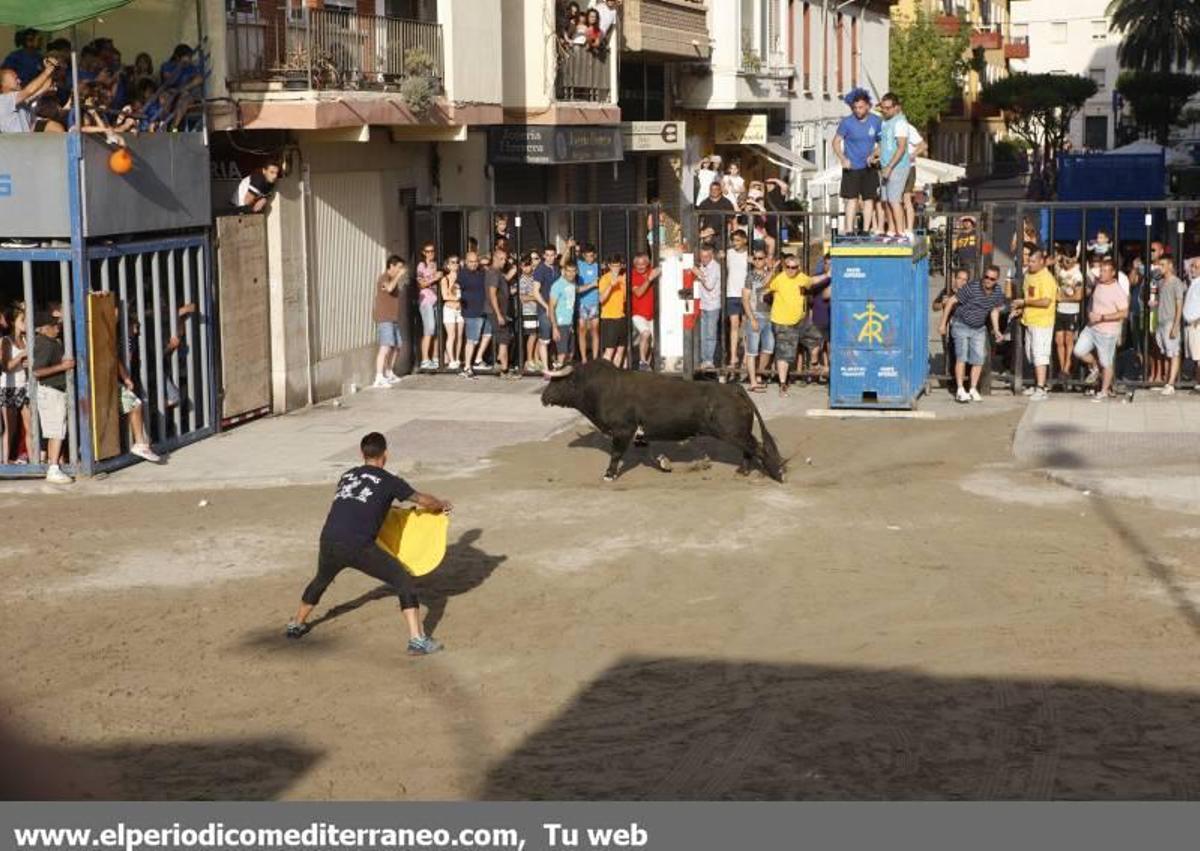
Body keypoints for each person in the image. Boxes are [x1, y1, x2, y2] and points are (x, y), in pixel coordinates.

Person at [286, 431, 452, 656]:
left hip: (329, 538)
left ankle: (297, 624)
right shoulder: (390, 481)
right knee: (403, 579)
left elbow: (358, 505)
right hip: (358, 545)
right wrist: (441, 504)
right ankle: (418, 640)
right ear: (385, 454)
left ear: (361, 453)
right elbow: (424, 501)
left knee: (321, 579)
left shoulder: (347, 476)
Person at [939, 265, 1007, 403]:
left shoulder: (997, 291)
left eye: (992, 279)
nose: (988, 280)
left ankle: (973, 388)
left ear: (996, 280)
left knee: (979, 358)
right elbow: (951, 301)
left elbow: (994, 310)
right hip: (961, 324)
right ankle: (960, 389)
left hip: (979, 328)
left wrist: (996, 329)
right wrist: (943, 324)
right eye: (986, 277)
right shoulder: (972, 287)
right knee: (962, 356)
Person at [768, 254, 829, 396]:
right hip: (783, 322)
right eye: (788, 267)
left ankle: (814, 363)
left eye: (793, 267)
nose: (790, 270)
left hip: (800, 321)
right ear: (784, 267)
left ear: (798, 267)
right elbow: (765, 284)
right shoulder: (779, 279)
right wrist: (772, 270)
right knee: (784, 354)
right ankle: (782, 384)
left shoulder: (801, 277)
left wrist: (827, 275)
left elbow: (812, 280)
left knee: (818, 337)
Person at [1073, 257, 1129, 402]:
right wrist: (1090, 313)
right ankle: (1095, 366)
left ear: (1113, 273)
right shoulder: (1099, 283)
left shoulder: (1117, 291)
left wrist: (1102, 317)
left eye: (1105, 271)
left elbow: (1124, 313)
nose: (1101, 273)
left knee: (1106, 362)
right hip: (1091, 328)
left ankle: (1104, 390)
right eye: (1101, 270)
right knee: (1078, 351)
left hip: (1107, 332)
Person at [31, 311, 74, 484]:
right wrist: (63, 367)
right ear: (43, 328)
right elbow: (37, 371)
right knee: (56, 431)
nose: (58, 328)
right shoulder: (45, 344)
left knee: (56, 430)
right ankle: (53, 468)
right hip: (51, 391)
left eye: (58, 325)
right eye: (53, 325)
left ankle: (54, 465)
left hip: (53, 391)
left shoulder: (51, 342)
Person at [833, 88, 882, 235]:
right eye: (855, 108)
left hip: (869, 166)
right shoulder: (847, 122)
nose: (858, 110)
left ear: (867, 106)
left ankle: (866, 230)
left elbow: (882, 143)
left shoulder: (876, 121)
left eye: (860, 107)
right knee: (851, 199)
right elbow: (836, 142)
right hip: (852, 166)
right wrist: (843, 158)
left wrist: (874, 155)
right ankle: (849, 230)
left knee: (869, 199)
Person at [1012, 247, 1056, 400]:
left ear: (1042, 262)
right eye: (1029, 261)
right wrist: (1022, 308)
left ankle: (1041, 388)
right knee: (1031, 354)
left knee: (1040, 355)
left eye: (1033, 261)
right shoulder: (1028, 275)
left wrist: (1025, 302)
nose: (1029, 264)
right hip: (1029, 320)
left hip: (1042, 322)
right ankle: (1036, 383)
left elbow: (1046, 301)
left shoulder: (1046, 278)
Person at [877, 92, 912, 240]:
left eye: (888, 108)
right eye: (883, 108)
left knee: (894, 200)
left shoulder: (900, 123)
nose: (885, 110)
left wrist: (890, 167)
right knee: (885, 200)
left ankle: (901, 232)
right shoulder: (885, 122)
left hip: (897, 167)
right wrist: (874, 154)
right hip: (885, 166)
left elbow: (901, 148)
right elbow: (885, 145)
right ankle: (891, 230)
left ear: (896, 107)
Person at [741, 250, 775, 392]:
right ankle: (753, 382)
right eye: (755, 258)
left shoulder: (771, 274)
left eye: (760, 258)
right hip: (756, 315)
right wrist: (751, 318)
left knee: (768, 348)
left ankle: (758, 374)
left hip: (770, 316)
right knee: (752, 350)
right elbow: (745, 299)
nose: (757, 261)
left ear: (765, 259)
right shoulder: (751, 276)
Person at [0, 305, 30, 464]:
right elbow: (6, 366)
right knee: (9, 428)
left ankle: (34, 461)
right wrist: (21, 356)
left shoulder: (26, 339)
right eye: (22, 320)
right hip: (9, 387)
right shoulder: (6, 341)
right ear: (13, 322)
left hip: (24, 385)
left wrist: (27, 363)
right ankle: (4, 463)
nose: (26, 323)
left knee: (30, 426)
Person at [372, 255, 407, 388]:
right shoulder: (384, 278)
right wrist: (399, 276)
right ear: (391, 266)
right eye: (399, 267)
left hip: (393, 319)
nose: (401, 270)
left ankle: (389, 372)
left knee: (397, 346)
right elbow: (389, 288)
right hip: (384, 318)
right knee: (385, 347)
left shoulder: (393, 279)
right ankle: (378, 377)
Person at [0, 57, 57, 133]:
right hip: (16, 140)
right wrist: (47, 71)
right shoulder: (3, 100)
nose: (19, 81)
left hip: (28, 138)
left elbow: (44, 87)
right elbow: (29, 91)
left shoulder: (20, 100)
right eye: (15, 79)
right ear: (3, 85)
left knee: (54, 127)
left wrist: (51, 70)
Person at [485, 247, 518, 379]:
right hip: (497, 312)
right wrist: (498, 314)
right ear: (494, 259)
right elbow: (492, 295)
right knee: (504, 340)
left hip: (502, 311)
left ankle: (500, 363)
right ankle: (504, 370)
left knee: (504, 339)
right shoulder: (493, 273)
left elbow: (503, 286)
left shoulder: (498, 273)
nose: (504, 261)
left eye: (505, 259)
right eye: (501, 259)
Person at [1155, 256, 1185, 395]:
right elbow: (1163, 300)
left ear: (1170, 266)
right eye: (1159, 264)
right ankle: (1167, 381)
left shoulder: (1176, 282)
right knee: (1166, 353)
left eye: (1162, 264)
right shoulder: (1161, 282)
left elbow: (1179, 304)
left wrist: (1176, 325)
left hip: (1170, 321)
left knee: (1174, 352)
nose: (1159, 267)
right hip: (1160, 321)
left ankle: (1171, 383)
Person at [1053, 250, 1083, 386]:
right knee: (1059, 340)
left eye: (1069, 260)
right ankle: (1062, 368)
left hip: (1071, 311)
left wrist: (1062, 298)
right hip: (1059, 310)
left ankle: (1066, 368)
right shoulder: (1060, 271)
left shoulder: (1077, 275)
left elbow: (1078, 296)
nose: (1066, 263)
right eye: (1064, 260)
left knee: (1068, 340)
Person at [458, 251, 489, 379]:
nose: (473, 264)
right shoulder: (462, 274)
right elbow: (456, 287)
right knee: (472, 340)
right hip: (471, 311)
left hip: (484, 310)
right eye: (471, 261)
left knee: (487, 334)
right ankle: (467, 367)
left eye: (475, 261)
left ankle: (478, 359)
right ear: (466, 262)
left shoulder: (482, 272)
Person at [694, 244, 723, 371]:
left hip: (712, 305)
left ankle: (709, 360)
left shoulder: (715, 267)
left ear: (712, 256)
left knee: (710, 334)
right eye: (702, 256)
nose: (704, 259)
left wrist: (699, 274)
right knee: (703, 334)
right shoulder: (702, 266)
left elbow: (710, 285)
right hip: (703, 304)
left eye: (706, 256)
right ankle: (703, 359)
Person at [629, 251, 659, 371]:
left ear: (647, 264)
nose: (641, 267)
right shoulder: (632, 275)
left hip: (653, 313)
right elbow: (638, 292)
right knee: (645, 333)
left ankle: (649, 362)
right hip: (638, 313)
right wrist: (649, 279)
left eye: (643, 264)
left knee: (656, 340)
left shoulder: (651, 270)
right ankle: (642, 361)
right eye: (638, 264)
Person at [725, 229, 750, 371]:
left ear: (745, 240)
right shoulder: (729, 253)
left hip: (746, 294)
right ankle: (733, 357)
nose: (735, 243)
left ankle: (746, 358)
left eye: (738, 240)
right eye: (733, 240)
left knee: (746, 326)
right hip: (732, 293)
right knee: (734, 326)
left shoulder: (749, 255)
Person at [415, 243, 443, 371]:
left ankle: (435, 357)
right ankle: (425, 360)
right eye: (428, 251)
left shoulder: (436, 265)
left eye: (432, 251)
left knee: (437, 330)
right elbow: (421, 284)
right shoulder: (422, 266)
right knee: (429, 329)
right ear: (424, 253)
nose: (430, 253)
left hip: (437, 300)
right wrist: (434, 278)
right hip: (426, 301)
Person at [575, 244, 602, 363]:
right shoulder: (579, 265)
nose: (589, 258)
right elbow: (564, 262)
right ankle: (584, 358)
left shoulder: (598, 267)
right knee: (582, 330)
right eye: (587, 256)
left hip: (594, 302)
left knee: (594, 330)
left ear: (595, 256)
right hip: (582, 303)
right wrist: (570, 248)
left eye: (591, 256)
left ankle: (595, 358)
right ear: (583, 256)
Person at [598, 254, 627, 365]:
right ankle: (604, 373)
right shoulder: (605, 278)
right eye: (614, 266)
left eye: (618, 266)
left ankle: (615, 373)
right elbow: (601, 299)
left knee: (621, 350)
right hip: (609, 318)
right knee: (609, 351)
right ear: (609, 266)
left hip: (621, 317)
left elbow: (625, 298)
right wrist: (611, 286)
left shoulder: (622, 279)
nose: (616, 268)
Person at [549, 260, 578, 370]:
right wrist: (554, 328)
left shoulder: (572, 283)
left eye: (573, 271)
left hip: (569, 324)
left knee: (570, 354)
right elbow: (551, 307)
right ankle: (556, 373)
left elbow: (578, 290)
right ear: (564, 271)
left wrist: (592, 284)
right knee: (562, 354)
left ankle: (561, 372)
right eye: (568, 271)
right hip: (560, 324)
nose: (571, 274)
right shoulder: (557, 285)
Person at [901, 123, 928, 234]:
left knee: (906, 199)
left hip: (907, 167)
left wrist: (912, 155)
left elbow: (923, 145)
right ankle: (900, 229)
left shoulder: (907, 127)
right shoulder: (886, 126)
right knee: (895, 201)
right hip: (893, 168)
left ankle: (908, 229)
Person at [440, 255, 463, 371]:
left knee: (459, 335)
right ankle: (451, 360)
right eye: (452, 262)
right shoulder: (445, 279)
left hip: (460, 309)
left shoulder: (462, 278)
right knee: (451, 335)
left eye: (457, 262)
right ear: (448, 265)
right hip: (449, 308)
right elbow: (445, 296)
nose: (455, 264)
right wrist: (457, 298)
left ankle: (457, 358)